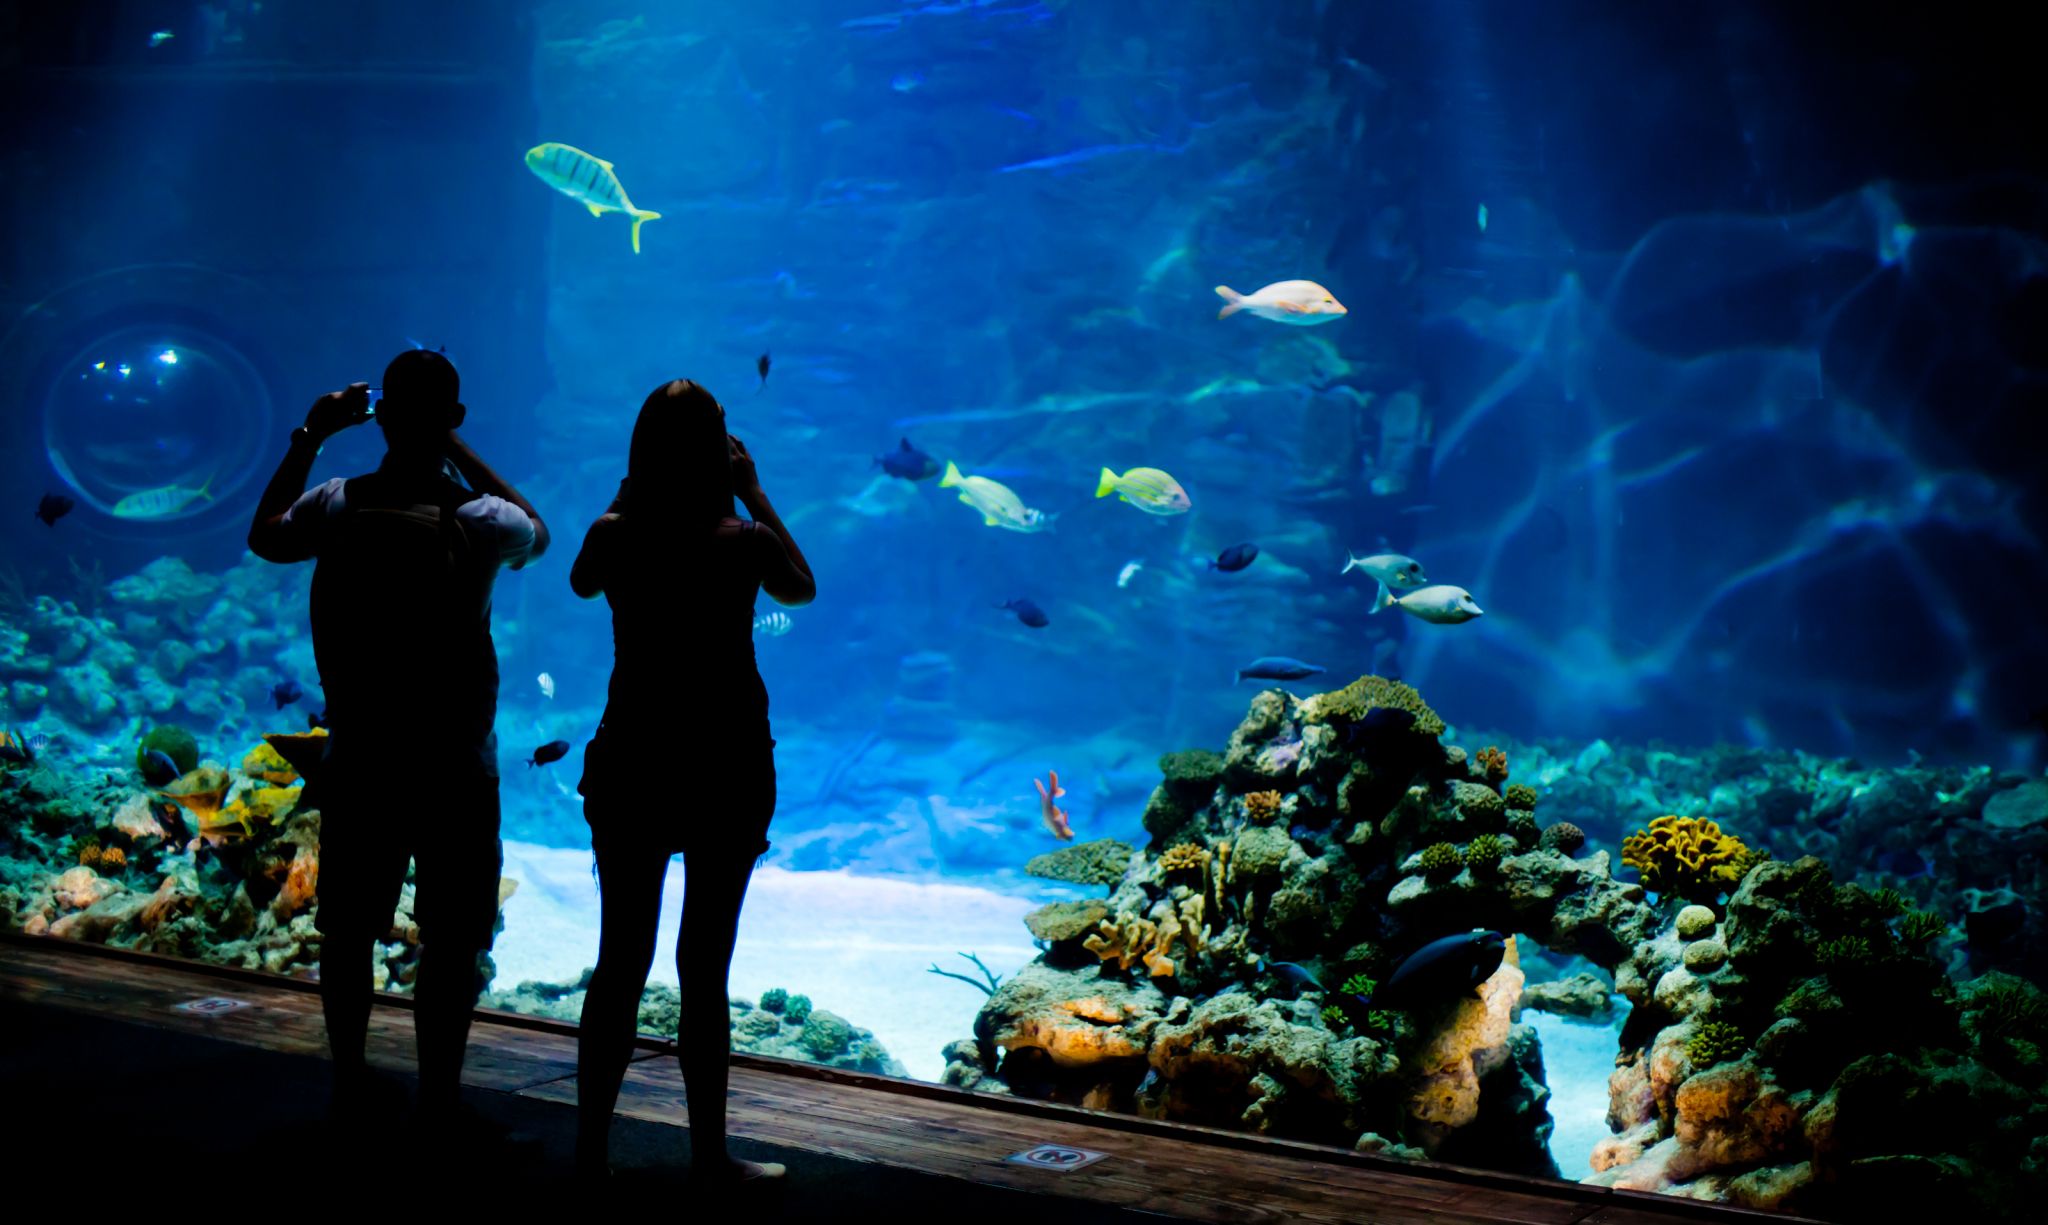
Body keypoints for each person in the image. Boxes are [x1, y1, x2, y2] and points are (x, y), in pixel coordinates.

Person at [247, 349, 549, 1148]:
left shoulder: (335, 505)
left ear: (377, 415)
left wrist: (312, 432)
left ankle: (349, 1082)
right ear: (453, 420)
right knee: (451, 942)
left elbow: (264, 537)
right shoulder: (482, 521)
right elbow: (541, 533)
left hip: (362, 755)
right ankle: (439, 1101)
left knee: (347, 931)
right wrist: (453, 446)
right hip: (455, 764)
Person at [569, 379, 814, 1183]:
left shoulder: (616, 534)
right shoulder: (740, 538)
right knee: (704, 967)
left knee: (619, 961)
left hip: (634, 755)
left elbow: (578, 579)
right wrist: (754, 488)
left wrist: (625, 491)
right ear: (721, 450)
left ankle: (591, 1153)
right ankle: (708, 1154)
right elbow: (800, 587)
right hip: (726, 763)